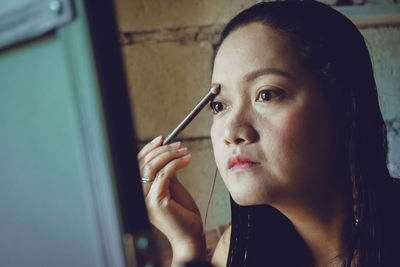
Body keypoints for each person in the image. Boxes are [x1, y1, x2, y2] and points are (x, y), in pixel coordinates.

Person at [137, 1, 400, 266]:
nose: (232, 131)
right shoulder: (239, 250)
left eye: (266, 94)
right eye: (219, 106)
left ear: (343, 108)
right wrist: (187, 248)